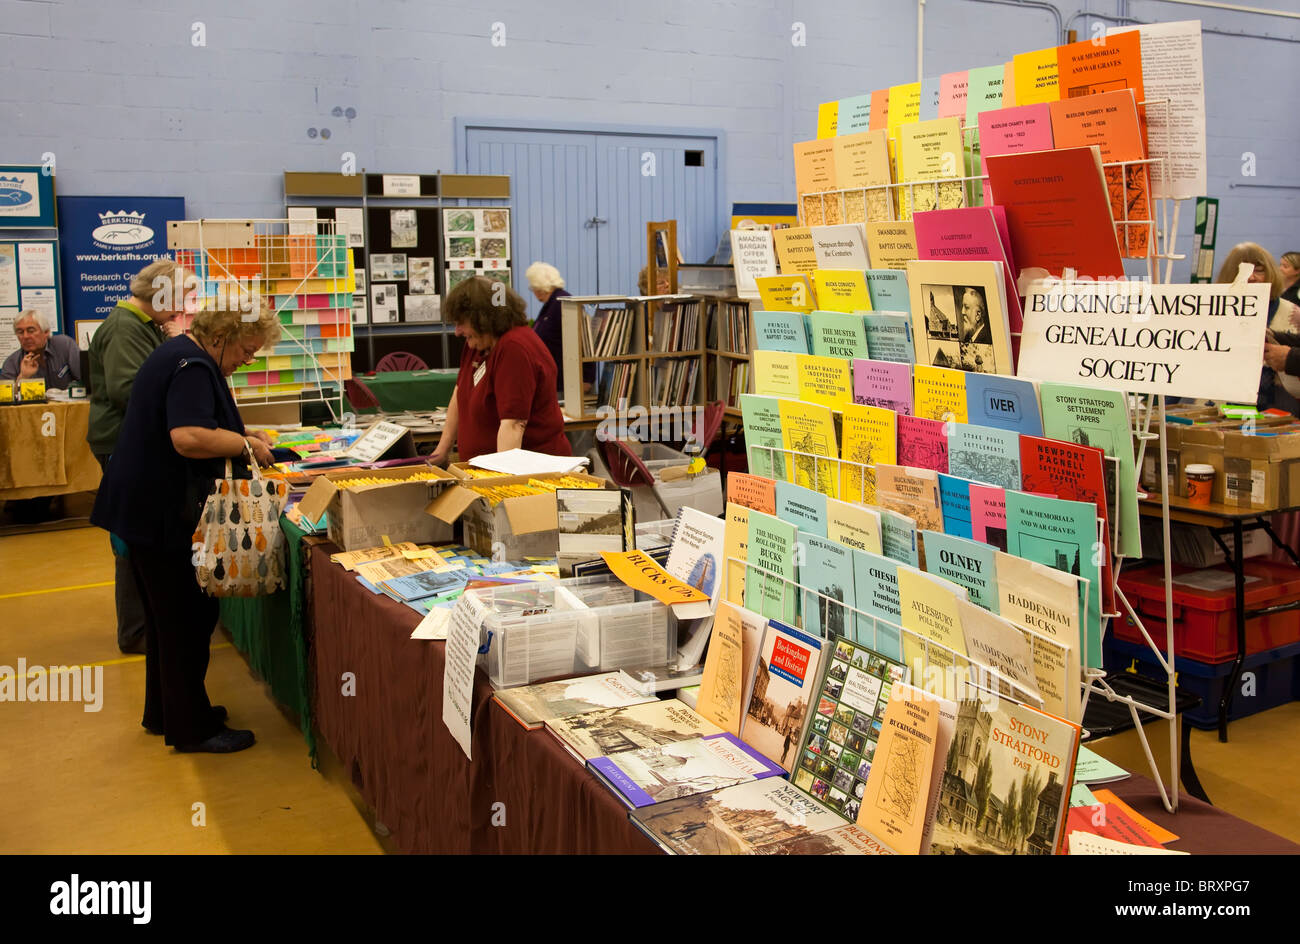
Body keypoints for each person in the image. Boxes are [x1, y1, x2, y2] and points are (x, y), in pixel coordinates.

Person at [90, 296, 278, 754]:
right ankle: (192, 728)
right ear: (221, 337)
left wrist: (242, 434)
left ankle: (167, 711)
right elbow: (189, 436)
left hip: (144, 509)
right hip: (162, 515)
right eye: (245, 351)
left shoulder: (179, 353)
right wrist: (243, 445)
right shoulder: (193, 364)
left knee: (164, 623)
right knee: (186, 622)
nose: (246, 360)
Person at [86, 258, 187, 653]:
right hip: (120, 442)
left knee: (140, 536)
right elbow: (127, 390)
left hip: (130, 440)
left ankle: (148, 624)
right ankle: (137, 631)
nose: (180, 307)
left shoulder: (143, 327)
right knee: (133, 539)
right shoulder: (126, 328)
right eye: (177, 297)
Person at [428, 277, 570, 465]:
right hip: (480, 471)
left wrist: (500, 480)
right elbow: (460, 392)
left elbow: (513, 425)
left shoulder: (514, 348)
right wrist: (441, 452)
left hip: (533, 473)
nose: (457, 332)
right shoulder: (477, 343)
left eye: (462, 323)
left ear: (484, 318)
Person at [1215, 243, 1300, 413]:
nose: (1251, 277)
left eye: (1259, 270)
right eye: (1243, 271)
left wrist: (1289, 357)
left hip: (1284, 412)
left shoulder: (1294, 314)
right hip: (1226, 408)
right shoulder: (1213, 313)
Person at [0, 309, 81, 388]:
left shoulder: (65, 346)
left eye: (31, 331)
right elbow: (6, 397)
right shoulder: (12, 362)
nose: (25, 336)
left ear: (46, 332)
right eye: (20, 332)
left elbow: (86, 378)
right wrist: (23, 377)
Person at [524, 261, 571, 385]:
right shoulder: (551, 303)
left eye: (533, 287)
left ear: (539, 287)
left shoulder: (560, 302)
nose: (533, 291)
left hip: (564, 378)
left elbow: (578, 340)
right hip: (555, 375)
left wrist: (586, 377)